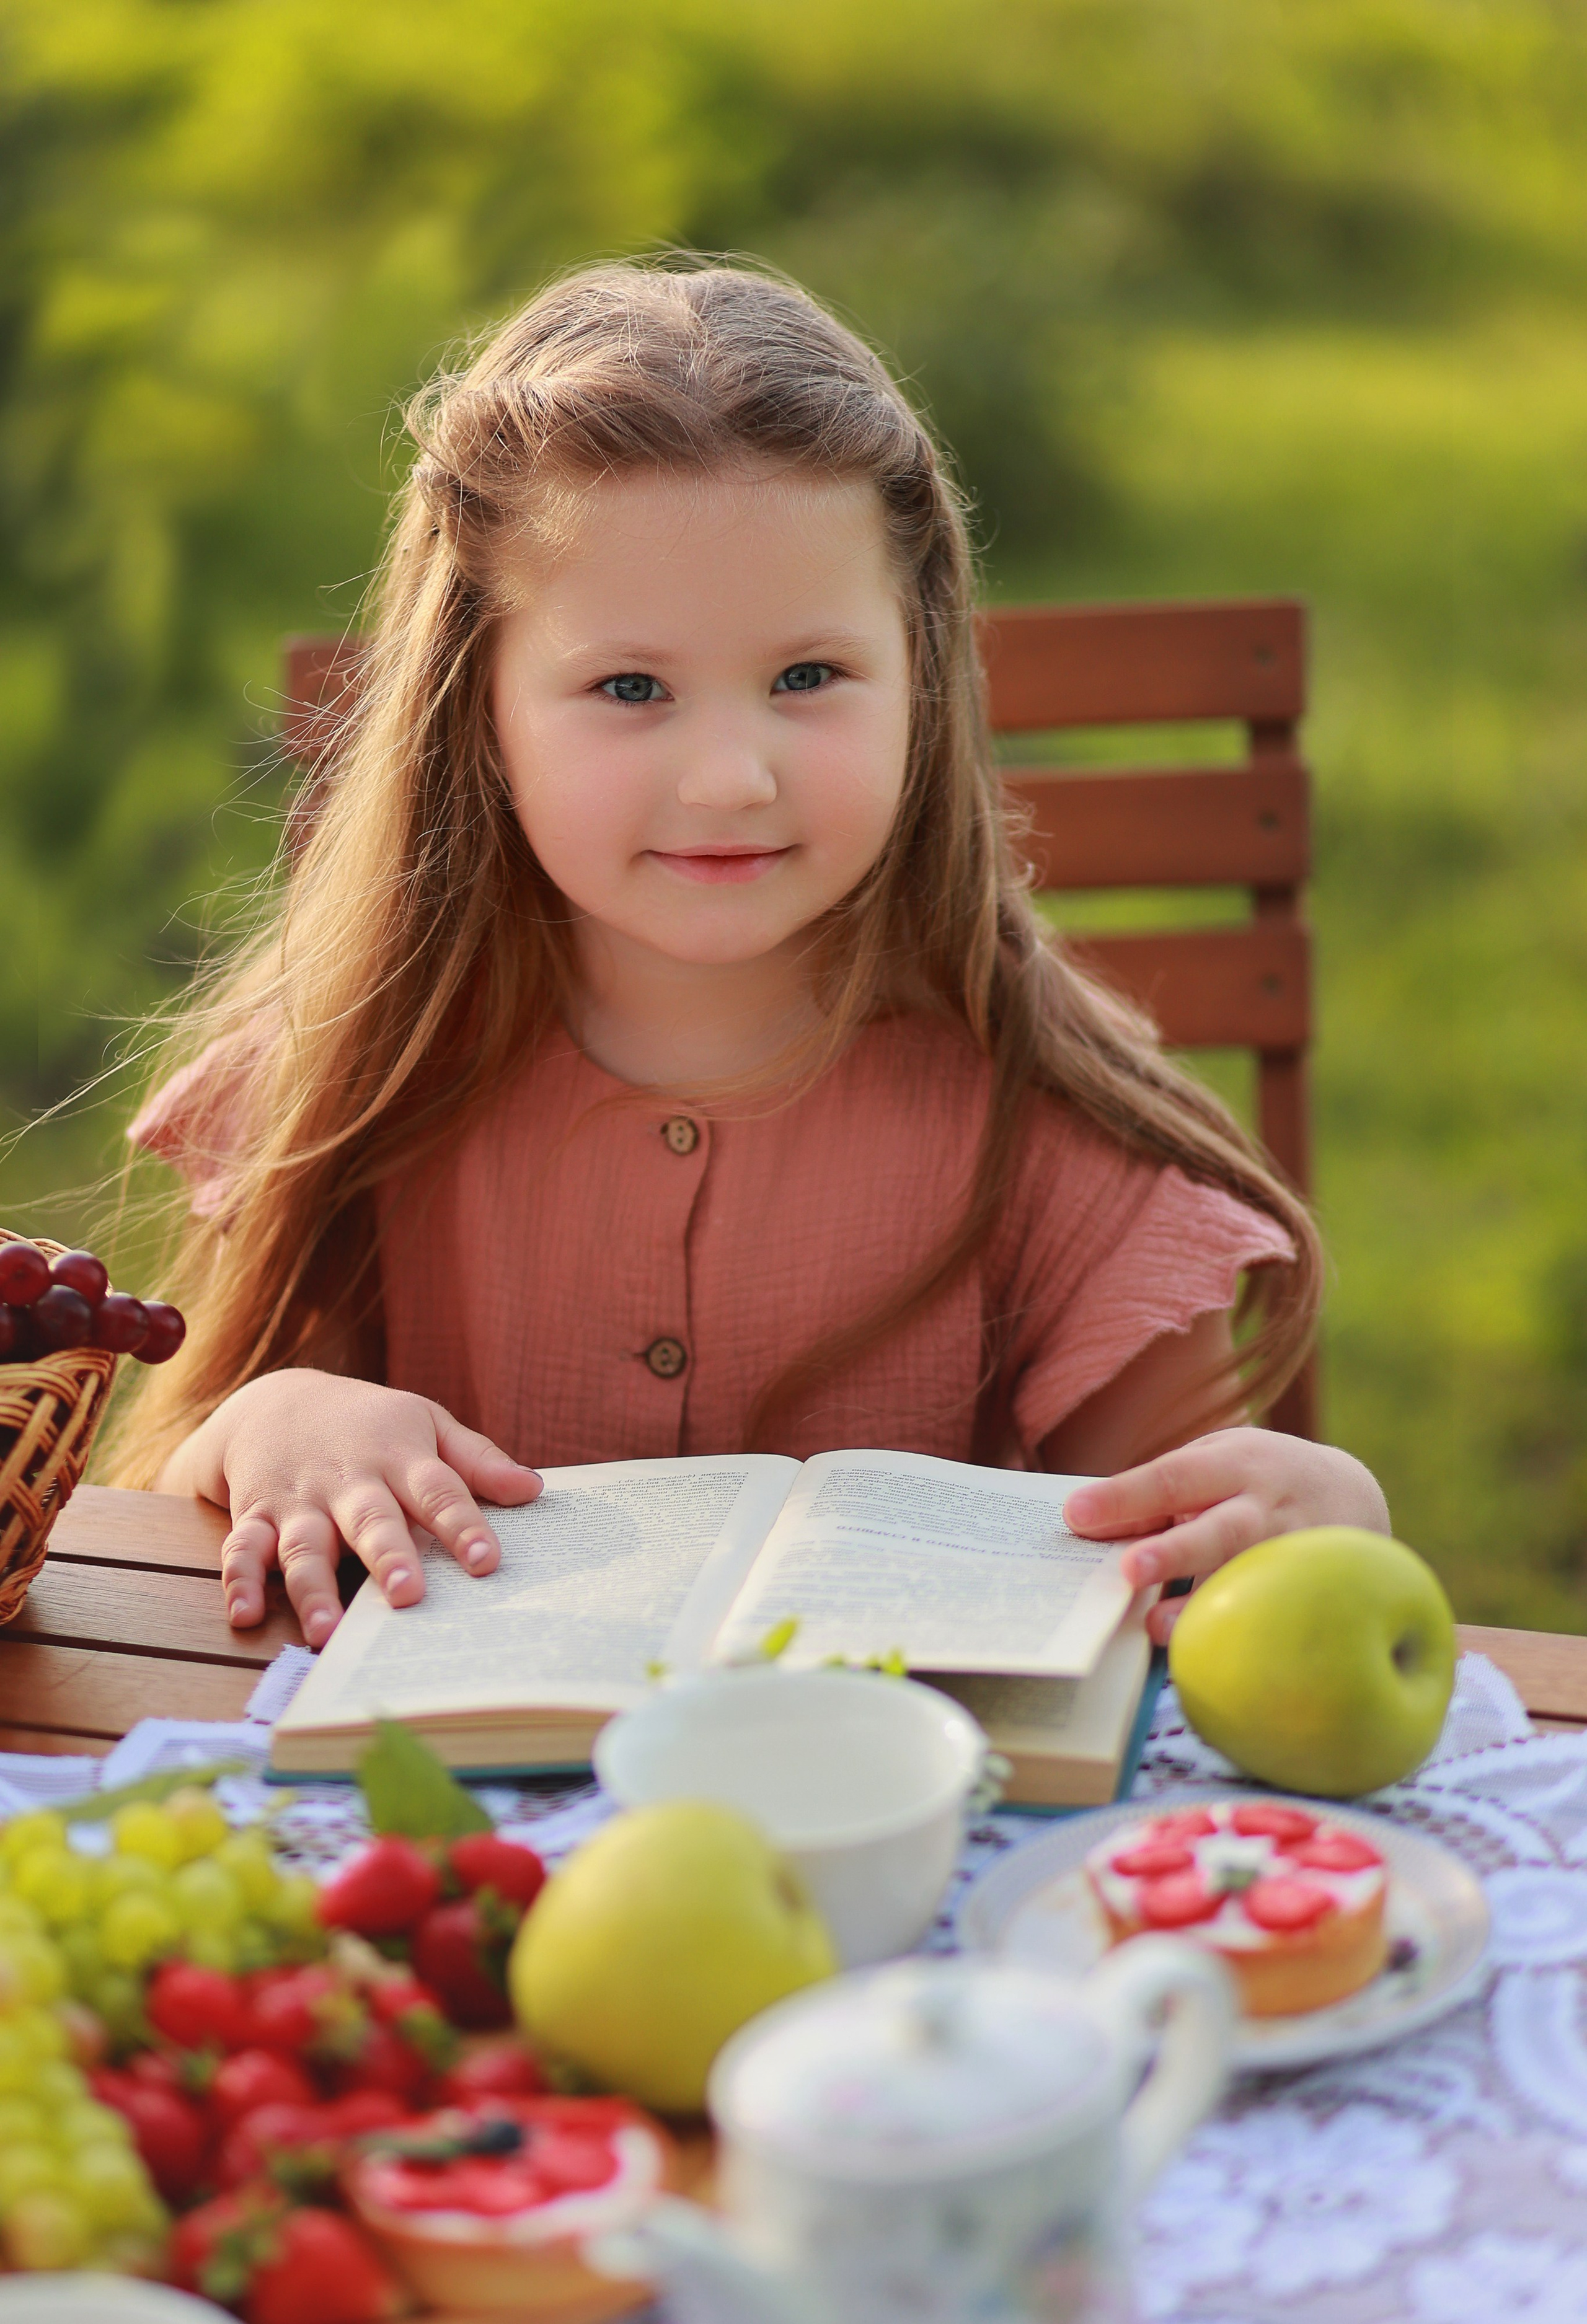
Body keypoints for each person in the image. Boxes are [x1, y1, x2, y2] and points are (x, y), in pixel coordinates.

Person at [117, 259, 1388, 1653]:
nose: (728, 777)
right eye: (628, 688)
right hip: (449, 1843)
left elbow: (1201, 1547)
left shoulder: (1046, 1124)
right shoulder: (352, 1077)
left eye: (804, 678)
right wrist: (267, 1425)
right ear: (475, 711)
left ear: (920, 675)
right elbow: (155, 1533)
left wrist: (1303, 1521)